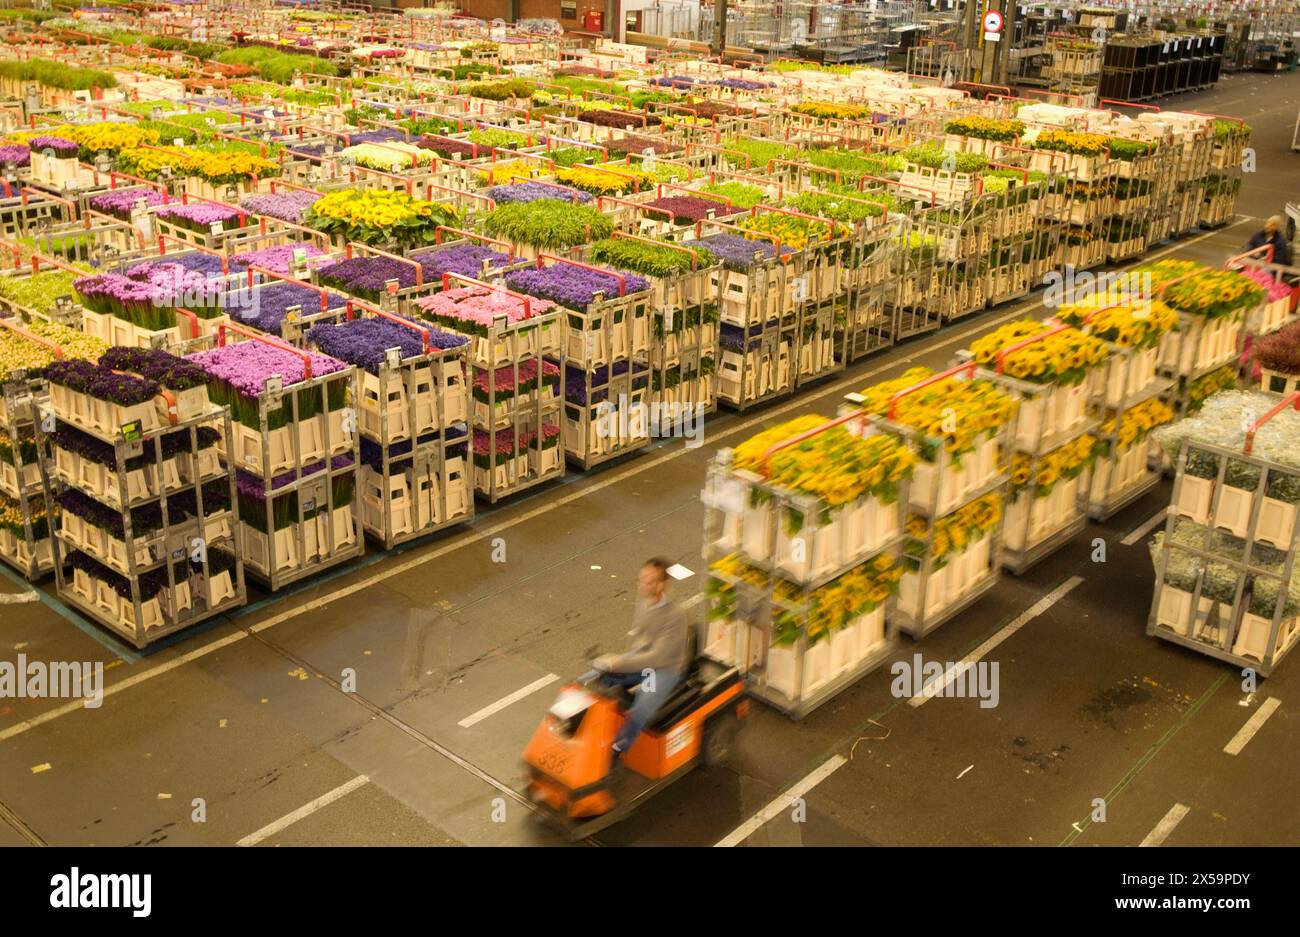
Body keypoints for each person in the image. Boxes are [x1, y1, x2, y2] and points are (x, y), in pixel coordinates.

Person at [593, 557, 692, 756]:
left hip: (665, 669)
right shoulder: (644, 604)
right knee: (595, 677)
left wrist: (620, 662)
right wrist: (612, 663)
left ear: (660, 585)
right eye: (641, 579)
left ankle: (616, 752)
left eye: (648, 581)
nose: (642, 585)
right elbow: (638, 639)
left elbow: (656, 658)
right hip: (642, 658)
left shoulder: (676, 616)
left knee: (640, 711)